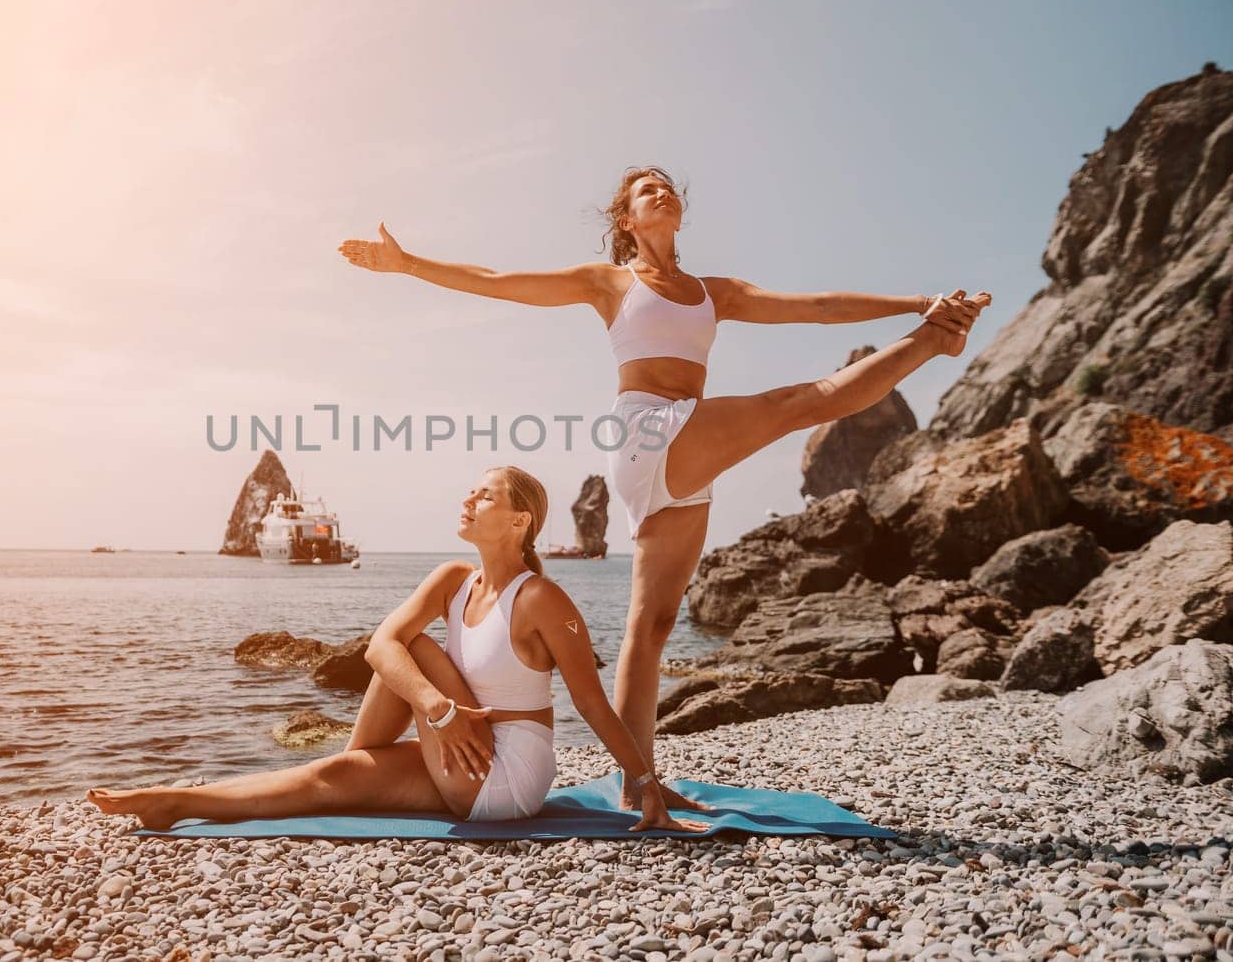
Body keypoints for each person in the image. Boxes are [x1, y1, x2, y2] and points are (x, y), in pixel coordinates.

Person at [337, 166, 991, 809]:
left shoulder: (716, 291)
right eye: (647, 189)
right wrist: (408, 263)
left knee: (652, 625)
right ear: (627, 220)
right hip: (650, 432)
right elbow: (500, 282)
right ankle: (935, 341)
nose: (663, 191)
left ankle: (635, 783)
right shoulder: (609, 282)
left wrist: (914, 299)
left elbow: (818, 308)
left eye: (668, 184)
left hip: (684, 456)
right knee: (796, 402)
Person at [88, 466, 714, 831]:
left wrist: (645, 783)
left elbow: (591, 701)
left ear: (519, 522)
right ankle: (175, 801)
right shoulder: (450, 580)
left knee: (421, 652)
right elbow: (378, 647)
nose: (468, 501)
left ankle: (365, 765)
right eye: (470, 492)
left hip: (508, 774)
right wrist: (438, 711)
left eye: (485, 496)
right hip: (457, 744)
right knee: (336, 770)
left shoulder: (540, 600)